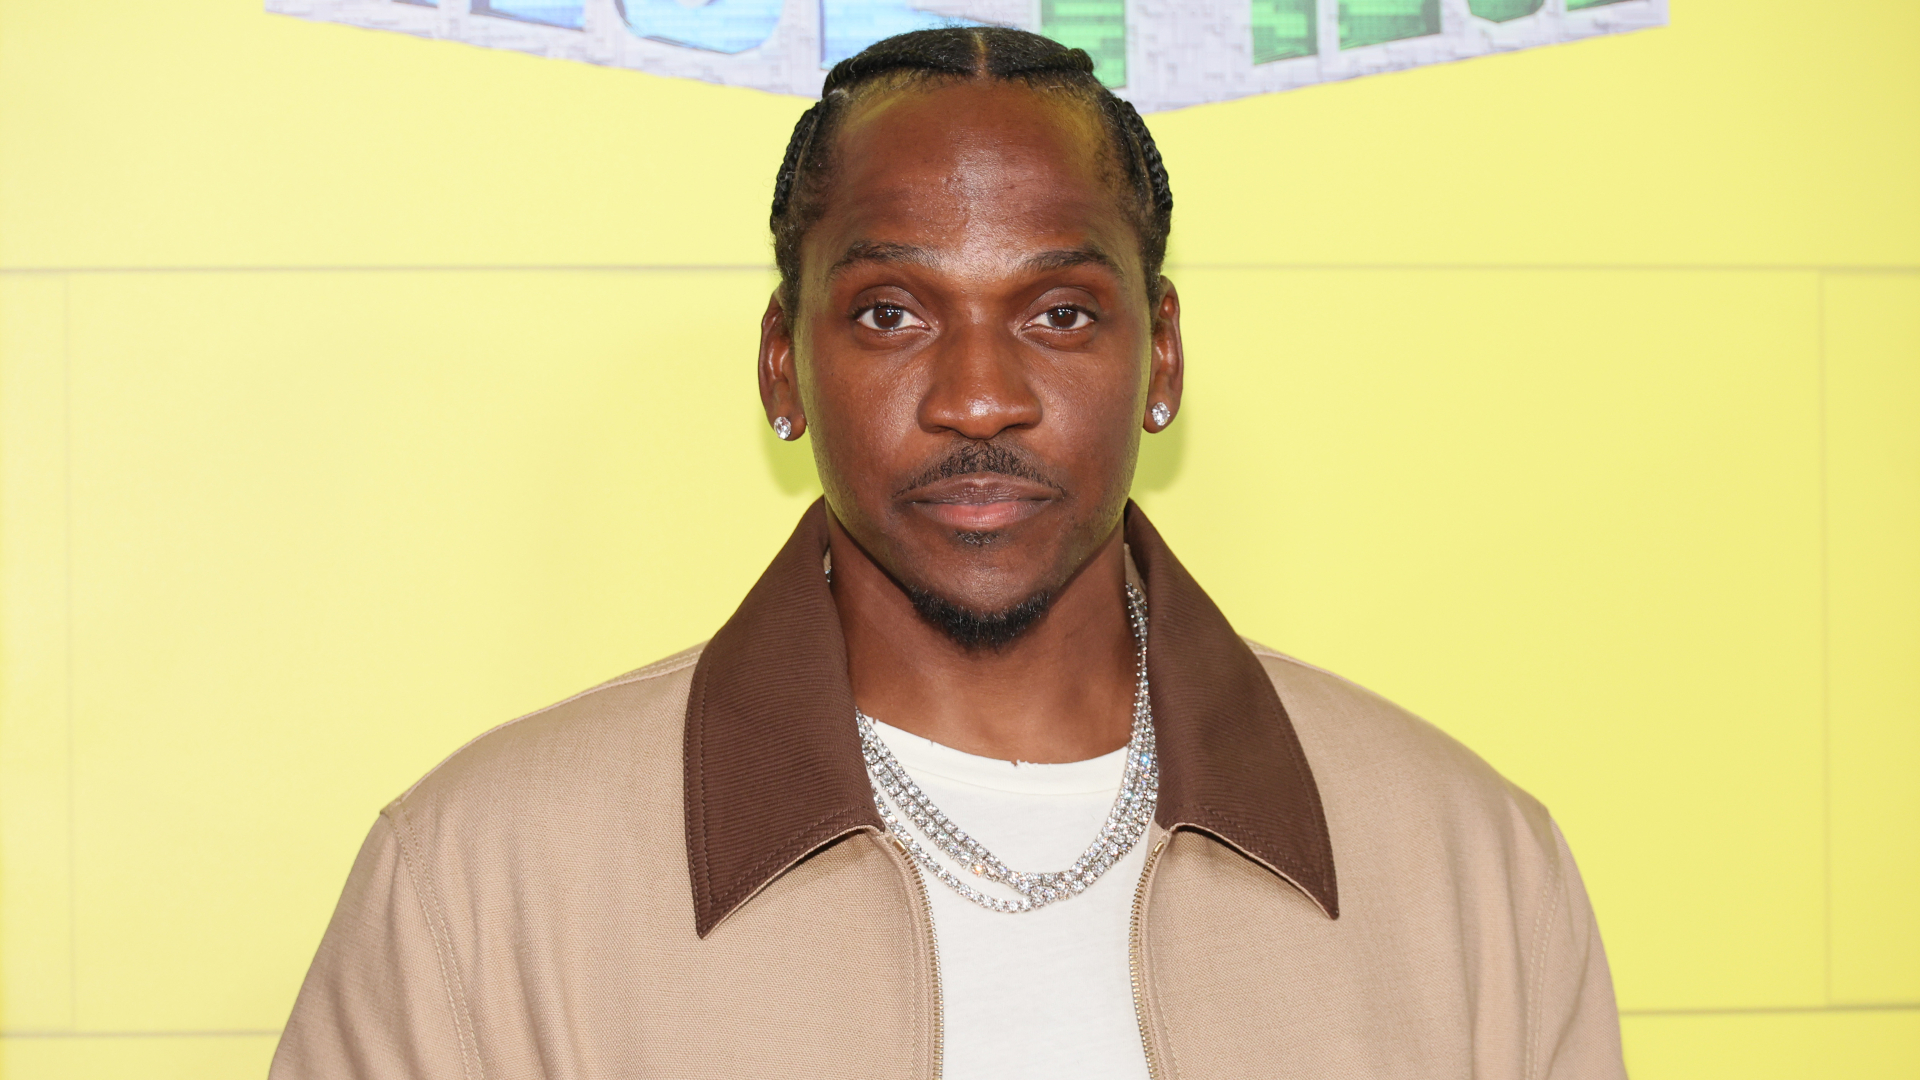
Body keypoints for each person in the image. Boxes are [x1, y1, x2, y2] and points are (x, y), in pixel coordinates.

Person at [271, 27, 1625, 1080]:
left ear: (1160, 358)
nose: (980, 396)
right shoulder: (482, 882)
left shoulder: (1469, 871)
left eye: (1057, 314)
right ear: (780, 369)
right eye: (889, 313)